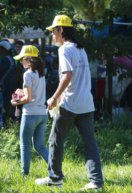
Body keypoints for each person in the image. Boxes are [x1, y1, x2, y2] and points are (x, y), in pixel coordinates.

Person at [35, 15, 104, 190]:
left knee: (55, 140)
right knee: (90, 143)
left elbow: (67, 76)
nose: (52, 34)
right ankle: (96, 182)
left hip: (69, 104)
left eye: (53, 30)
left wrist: (54, 97)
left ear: (62, 30)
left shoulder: (64, 49)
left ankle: (55, 178)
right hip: (86, 104)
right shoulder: (81, 49)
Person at [11, 45, 49, 176]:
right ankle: (56, 170)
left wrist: (15, 102)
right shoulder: (41, 73)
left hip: (30, 114)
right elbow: (34, 93)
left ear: (29, 60)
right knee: (39, 146)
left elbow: (27, 98)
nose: (20, 61)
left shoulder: (27, 74)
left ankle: (24, 175)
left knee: (25, 146)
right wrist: (22, 92)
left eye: (22, 59)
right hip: (42, 114)